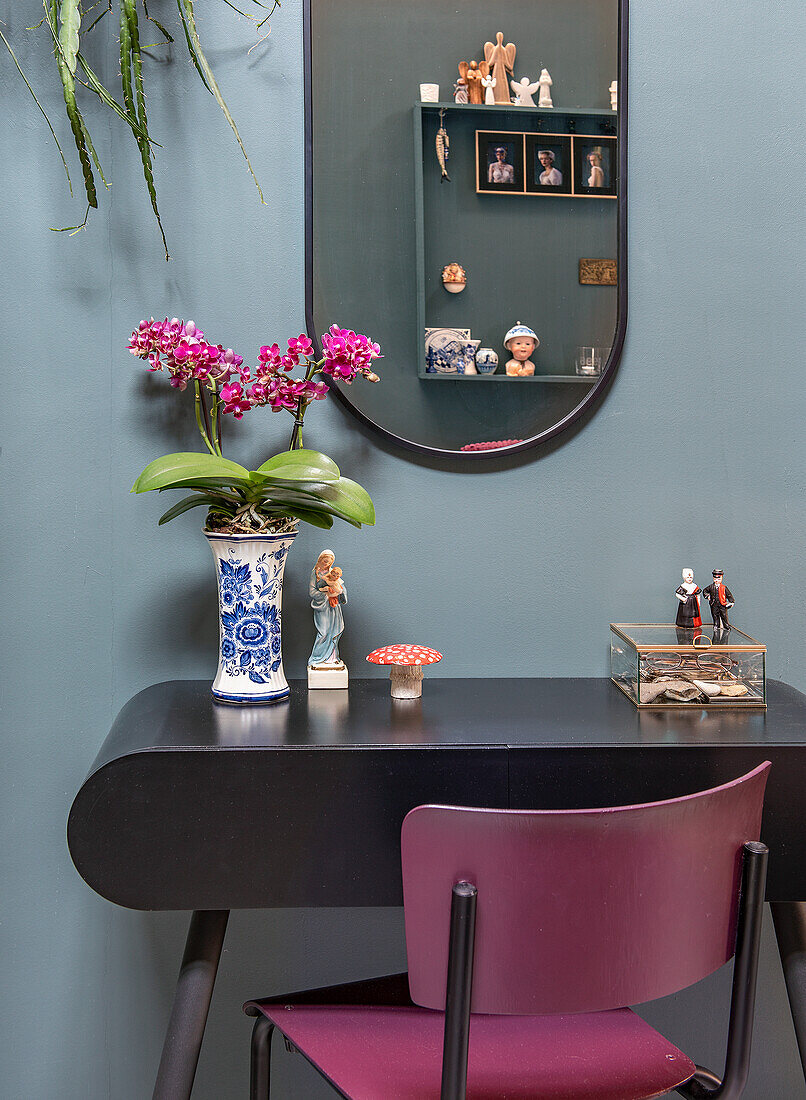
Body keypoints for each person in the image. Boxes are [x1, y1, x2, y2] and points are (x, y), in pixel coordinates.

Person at [308, 550, 347, 667]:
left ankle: (332, 658)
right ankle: (317, 658)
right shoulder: (315, 573)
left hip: (334, 607)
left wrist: (339, 592)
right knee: (324, 632)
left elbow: (342, 588)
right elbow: (312, 592)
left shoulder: (333, 573)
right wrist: (325, 593)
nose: (326, 565)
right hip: (323, 606)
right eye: (324, 562)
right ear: (320, 560)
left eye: (329, 563)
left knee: (335, 630)